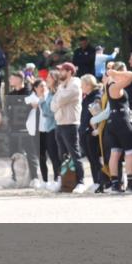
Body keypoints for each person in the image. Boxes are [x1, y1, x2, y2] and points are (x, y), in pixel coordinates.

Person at [101, 66, 132, 193]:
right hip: (122, 121)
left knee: (115, 153)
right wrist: (116, 73)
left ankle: (115, 185)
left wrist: (114, 74)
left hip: (112, 121)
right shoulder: (114, 86)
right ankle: (129, 184)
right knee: (130, 152)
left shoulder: (108, 86)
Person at [51, 62, 86, 193]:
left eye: (62, 70)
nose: (60, 73)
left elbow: (59, 100)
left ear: (70, 72)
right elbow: (52, 106)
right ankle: (64, 181)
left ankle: (80, 182)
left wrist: (58, 99)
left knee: (75, 154)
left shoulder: (75, 85)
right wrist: (58, 99)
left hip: (71, 124)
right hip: (60, 124)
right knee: (62, 155)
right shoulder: (62, 86)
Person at [4, 71, 42, 187]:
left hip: (27, 130)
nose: (10, 80)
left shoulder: (29, 92)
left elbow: (35, 108)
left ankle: (35, 178)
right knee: (14, 155)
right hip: (13, 129)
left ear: (19, 79)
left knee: (31, 154)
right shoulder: (10, 95)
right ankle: (14, 178)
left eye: (12, 78)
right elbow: (7, 112)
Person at [31, 77, 60, 185]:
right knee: (41, 156)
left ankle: (57, 179)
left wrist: (41, 100)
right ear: (35, 88)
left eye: (44, 85)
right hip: (38, 131)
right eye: (40, 86)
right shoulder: (32, 98)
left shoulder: (49, 96)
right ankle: (44, 180)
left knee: (53, 155)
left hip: (49, 130)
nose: (43, 88)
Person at [79, 74, 103, 191]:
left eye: (82, 85)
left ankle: (101, 181)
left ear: (89, 85)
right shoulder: (87, 97)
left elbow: (97, 114)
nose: (81, 87)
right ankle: (96, 181)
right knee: (91, 158)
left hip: (92, 132)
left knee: (95, 158)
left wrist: (94, 128)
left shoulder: (96, 96)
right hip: (85, 131)